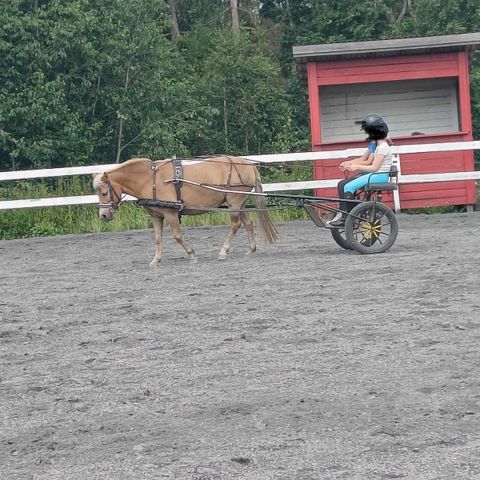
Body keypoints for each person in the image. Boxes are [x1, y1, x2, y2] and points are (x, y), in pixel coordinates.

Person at [327, 113, 393, 227]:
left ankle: (348, 217)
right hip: (375, 174)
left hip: (379, 175)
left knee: (348, 187)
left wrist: (356, 166)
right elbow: (366, 161)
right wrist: (350, 163)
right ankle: (344, 213)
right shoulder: (377, 145)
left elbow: (374, 167)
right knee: (343, 184)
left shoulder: (382, 147)